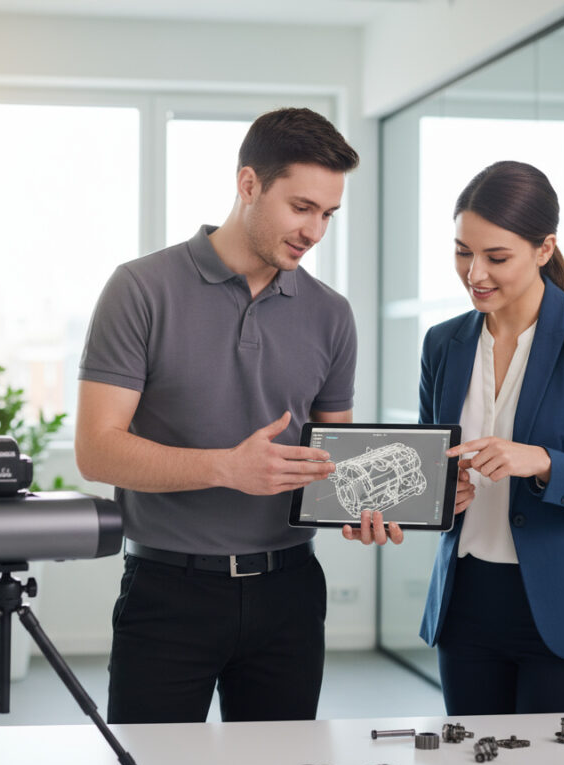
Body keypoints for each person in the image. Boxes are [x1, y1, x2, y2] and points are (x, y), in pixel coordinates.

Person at [75, 107, 360, 724]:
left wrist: (370, 509)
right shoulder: (140, 288)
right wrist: (228, 468)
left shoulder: (331, 314)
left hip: (290, 591)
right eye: (301, 206)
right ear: (249, 184)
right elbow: (97, 451)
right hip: (168, 592)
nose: (315, 231)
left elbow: (337, 459)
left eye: (328, 215)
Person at [347, 160, 564, 715]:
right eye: (463, 251)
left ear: (543, 249)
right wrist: (405, 505)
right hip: (466, 607)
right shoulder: (444, 343)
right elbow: (427, 471)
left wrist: (541, 462)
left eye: (496, 257)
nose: (474, 273)